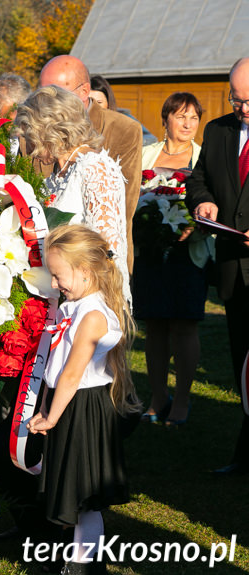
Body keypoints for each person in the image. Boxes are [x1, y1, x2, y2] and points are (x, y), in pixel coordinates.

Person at [28, 224, 137, 575]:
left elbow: (73, 374)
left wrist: (51, 416)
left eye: (59, 276)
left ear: (86, 271)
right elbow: (54, 368)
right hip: (65, 404)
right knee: (69, 485)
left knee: (84, 494)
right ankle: (72, 555)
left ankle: (85, 563)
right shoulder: (72, 306)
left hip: (84, 408)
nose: (55, 284)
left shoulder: (92, 316)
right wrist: (45, 406)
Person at [186, 57, 249, 476]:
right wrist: (202, 201)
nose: (242, 108)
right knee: (243, 365)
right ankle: (246, 453)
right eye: (236, 99)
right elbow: (198, 179)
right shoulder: (218, 130)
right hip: (234, 272)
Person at [14, 85, 131, 305]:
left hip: (93, 299)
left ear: (49, 131)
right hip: (65, 295)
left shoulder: (95, 167)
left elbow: (107, 250)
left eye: (30, 136)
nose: (29, 148)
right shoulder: (60, 173)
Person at [135, 93, 204, 426]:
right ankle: (159, 395)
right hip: (151, 252)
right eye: (181, 117)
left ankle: (184, 399)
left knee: (184, 325)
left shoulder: (204, 158)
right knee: (155, 326)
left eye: (193, 118)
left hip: (188, 252)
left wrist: (193, 227)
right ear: (166, 120)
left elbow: (212, 201)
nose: (188, 124)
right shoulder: (145, 154)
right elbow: (131, 195)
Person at [39, 55, 143, 272]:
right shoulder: (37, 127)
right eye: (41, 92)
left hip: (94, 264)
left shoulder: (122, 129)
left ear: (84, 91)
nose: (45, 101)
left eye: (55, 92)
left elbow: (124, 207)